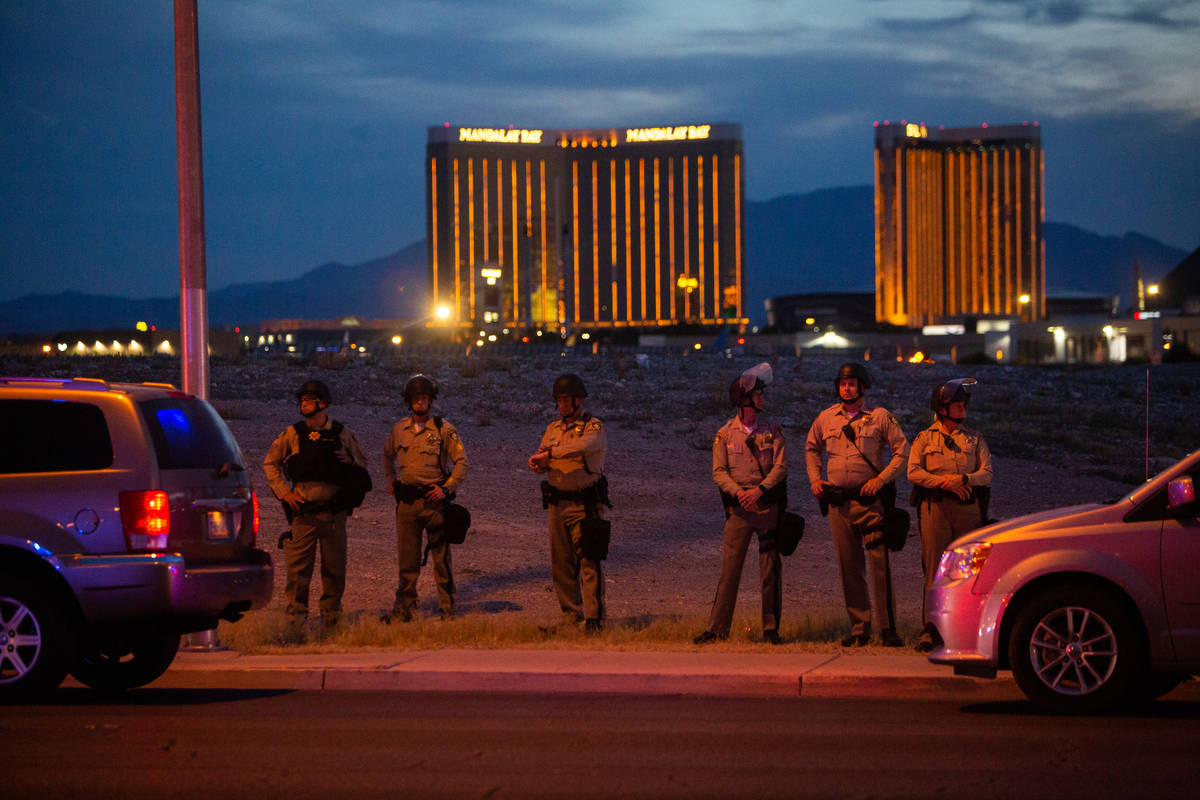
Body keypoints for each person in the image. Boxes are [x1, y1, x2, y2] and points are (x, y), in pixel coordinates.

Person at [805, 362, 908, 647]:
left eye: (852, 383)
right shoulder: (826, 418)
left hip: (871, 502)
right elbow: (811, 447)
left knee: (880, 566)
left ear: (863, 386)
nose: (846, 388)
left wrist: (883, 479)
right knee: (849, 567)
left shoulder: (880, 417)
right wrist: (816, 480)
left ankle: (888, 629)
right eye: (842, 383)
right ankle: (859, 628)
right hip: (839, 504)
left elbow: (902, 451)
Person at [694, 363, 788, 646]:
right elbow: (719, 472)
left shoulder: (773, 431)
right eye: (757, 394)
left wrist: (758, 491)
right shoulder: (725, 434)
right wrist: (740, 493)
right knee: (729, 571)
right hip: (739, 509)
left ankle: (770, 629)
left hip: (765, 506)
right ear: (744, 399)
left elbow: (780, 467)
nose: (762, 399)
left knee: (770, 570)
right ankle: (717, 629)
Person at [263, 379, 369, 627]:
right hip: (304, 513)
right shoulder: (293, 433)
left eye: (310, 399)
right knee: (298, 572)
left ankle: (331, 620)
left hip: (333, 514)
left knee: (334, 571)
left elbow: (362, 467)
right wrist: (284, 494)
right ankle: (296, 622)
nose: (304, 403)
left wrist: (348, 459)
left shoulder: (342, 433)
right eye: (302, 400)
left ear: (323, 403)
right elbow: (270, 463)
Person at [907, 378, 993, 652]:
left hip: (968, 511)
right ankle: (929, 630)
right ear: (942, 408)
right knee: (935, 568)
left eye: (962, 403)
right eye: (955, 404)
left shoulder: (975, 438)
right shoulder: (923, 438)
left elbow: (986, 473)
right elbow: (913, 472)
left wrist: (964, 479)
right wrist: (944, 483)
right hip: (936, 509)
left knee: (969, 569)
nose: (960, 408)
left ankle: (967, 627)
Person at [382, 374, 469, 622]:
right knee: (407, 561)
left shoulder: (444, 429)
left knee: (441, 560)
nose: (420, 402)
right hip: (407, 504)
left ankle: (447, 609)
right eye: (416, 398)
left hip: (434, 504)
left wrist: (447, 489)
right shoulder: (399, 430)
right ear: (409, 401)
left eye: (424, 398)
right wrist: (389, 478)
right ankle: (404, 608)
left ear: (431, 400)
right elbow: (386, 454)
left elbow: (462, 462)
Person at [527, 373, 609, 634]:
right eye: (559, 400)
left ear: (578, 401)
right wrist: (539, 464)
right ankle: (570, 616)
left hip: (584, 505)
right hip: (557, 504)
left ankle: (594, 619)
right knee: (561, 563)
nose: (562, 405)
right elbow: (544, 457)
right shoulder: (552, 429)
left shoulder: (593, 427)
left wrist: (549, 454)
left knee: (589, 560)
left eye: (567, 400)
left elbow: (582, 447)